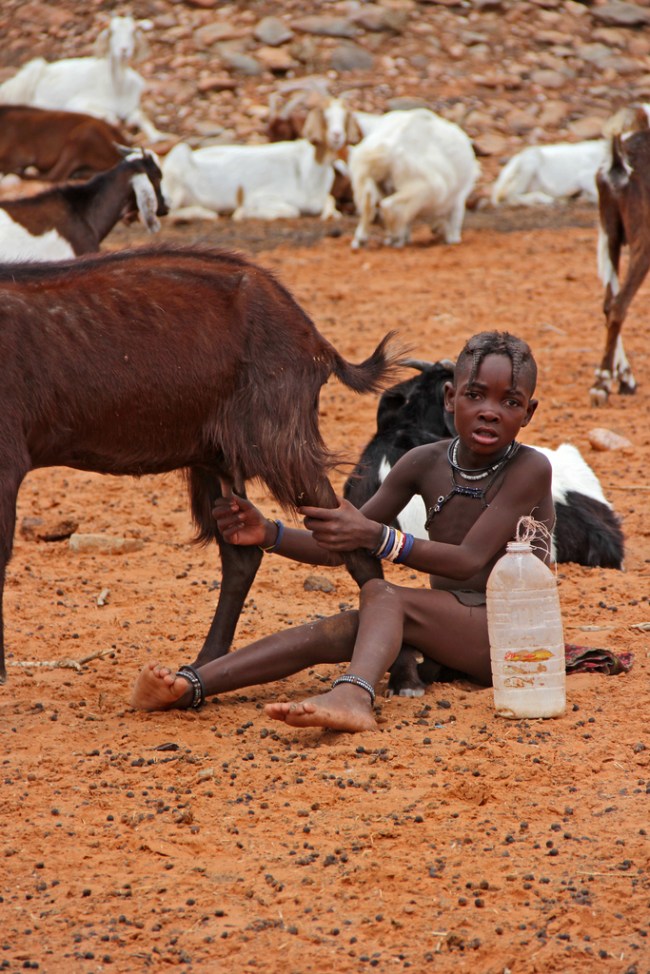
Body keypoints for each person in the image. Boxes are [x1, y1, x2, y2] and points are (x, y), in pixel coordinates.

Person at [131, 330, 554, 732]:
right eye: (475, 395)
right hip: (446, 621)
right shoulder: (423, 462)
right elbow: (343, 545)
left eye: (510, 402)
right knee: (334, 631)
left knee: (382, 595)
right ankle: (192, 686)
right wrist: (269, 534)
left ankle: (354, 696)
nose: (490, 411)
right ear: (449, 397)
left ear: (529, 412)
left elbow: (467, 560)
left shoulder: (530, 469)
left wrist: (376, 537)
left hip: (509, 637)